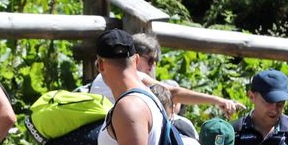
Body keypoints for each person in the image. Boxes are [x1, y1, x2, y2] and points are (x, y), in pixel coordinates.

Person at [84, 32, 242, 116]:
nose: (153, 67)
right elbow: (173, 93)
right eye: (151, 60)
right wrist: (218, 100)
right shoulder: (134, 78)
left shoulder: (102, 76)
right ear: (135, 58)